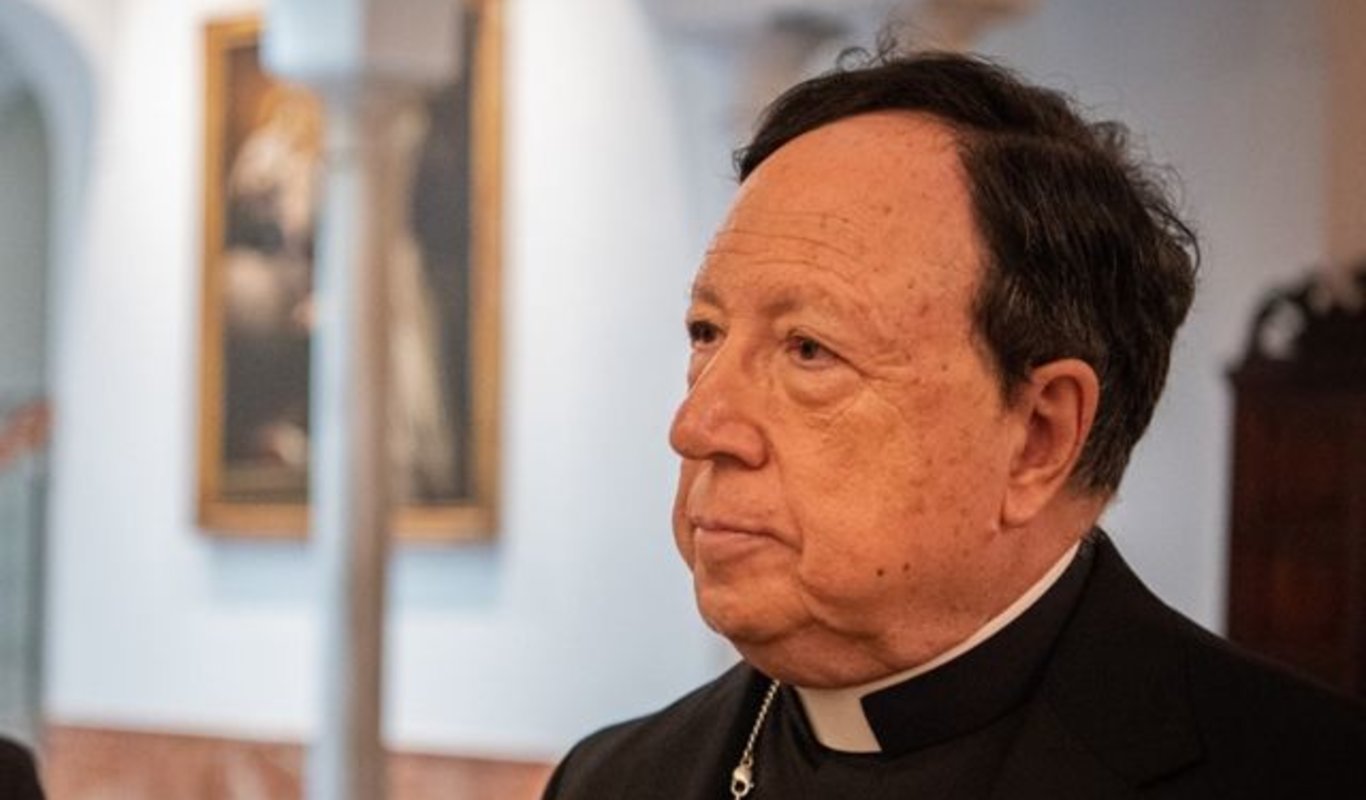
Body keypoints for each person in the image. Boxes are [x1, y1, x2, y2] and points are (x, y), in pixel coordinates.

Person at [543, 50, 1366, 799]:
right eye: (706, 333)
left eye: (809, 349)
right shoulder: (611, 782)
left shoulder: (1305, 776)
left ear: (1039, 437)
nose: (697, 426)